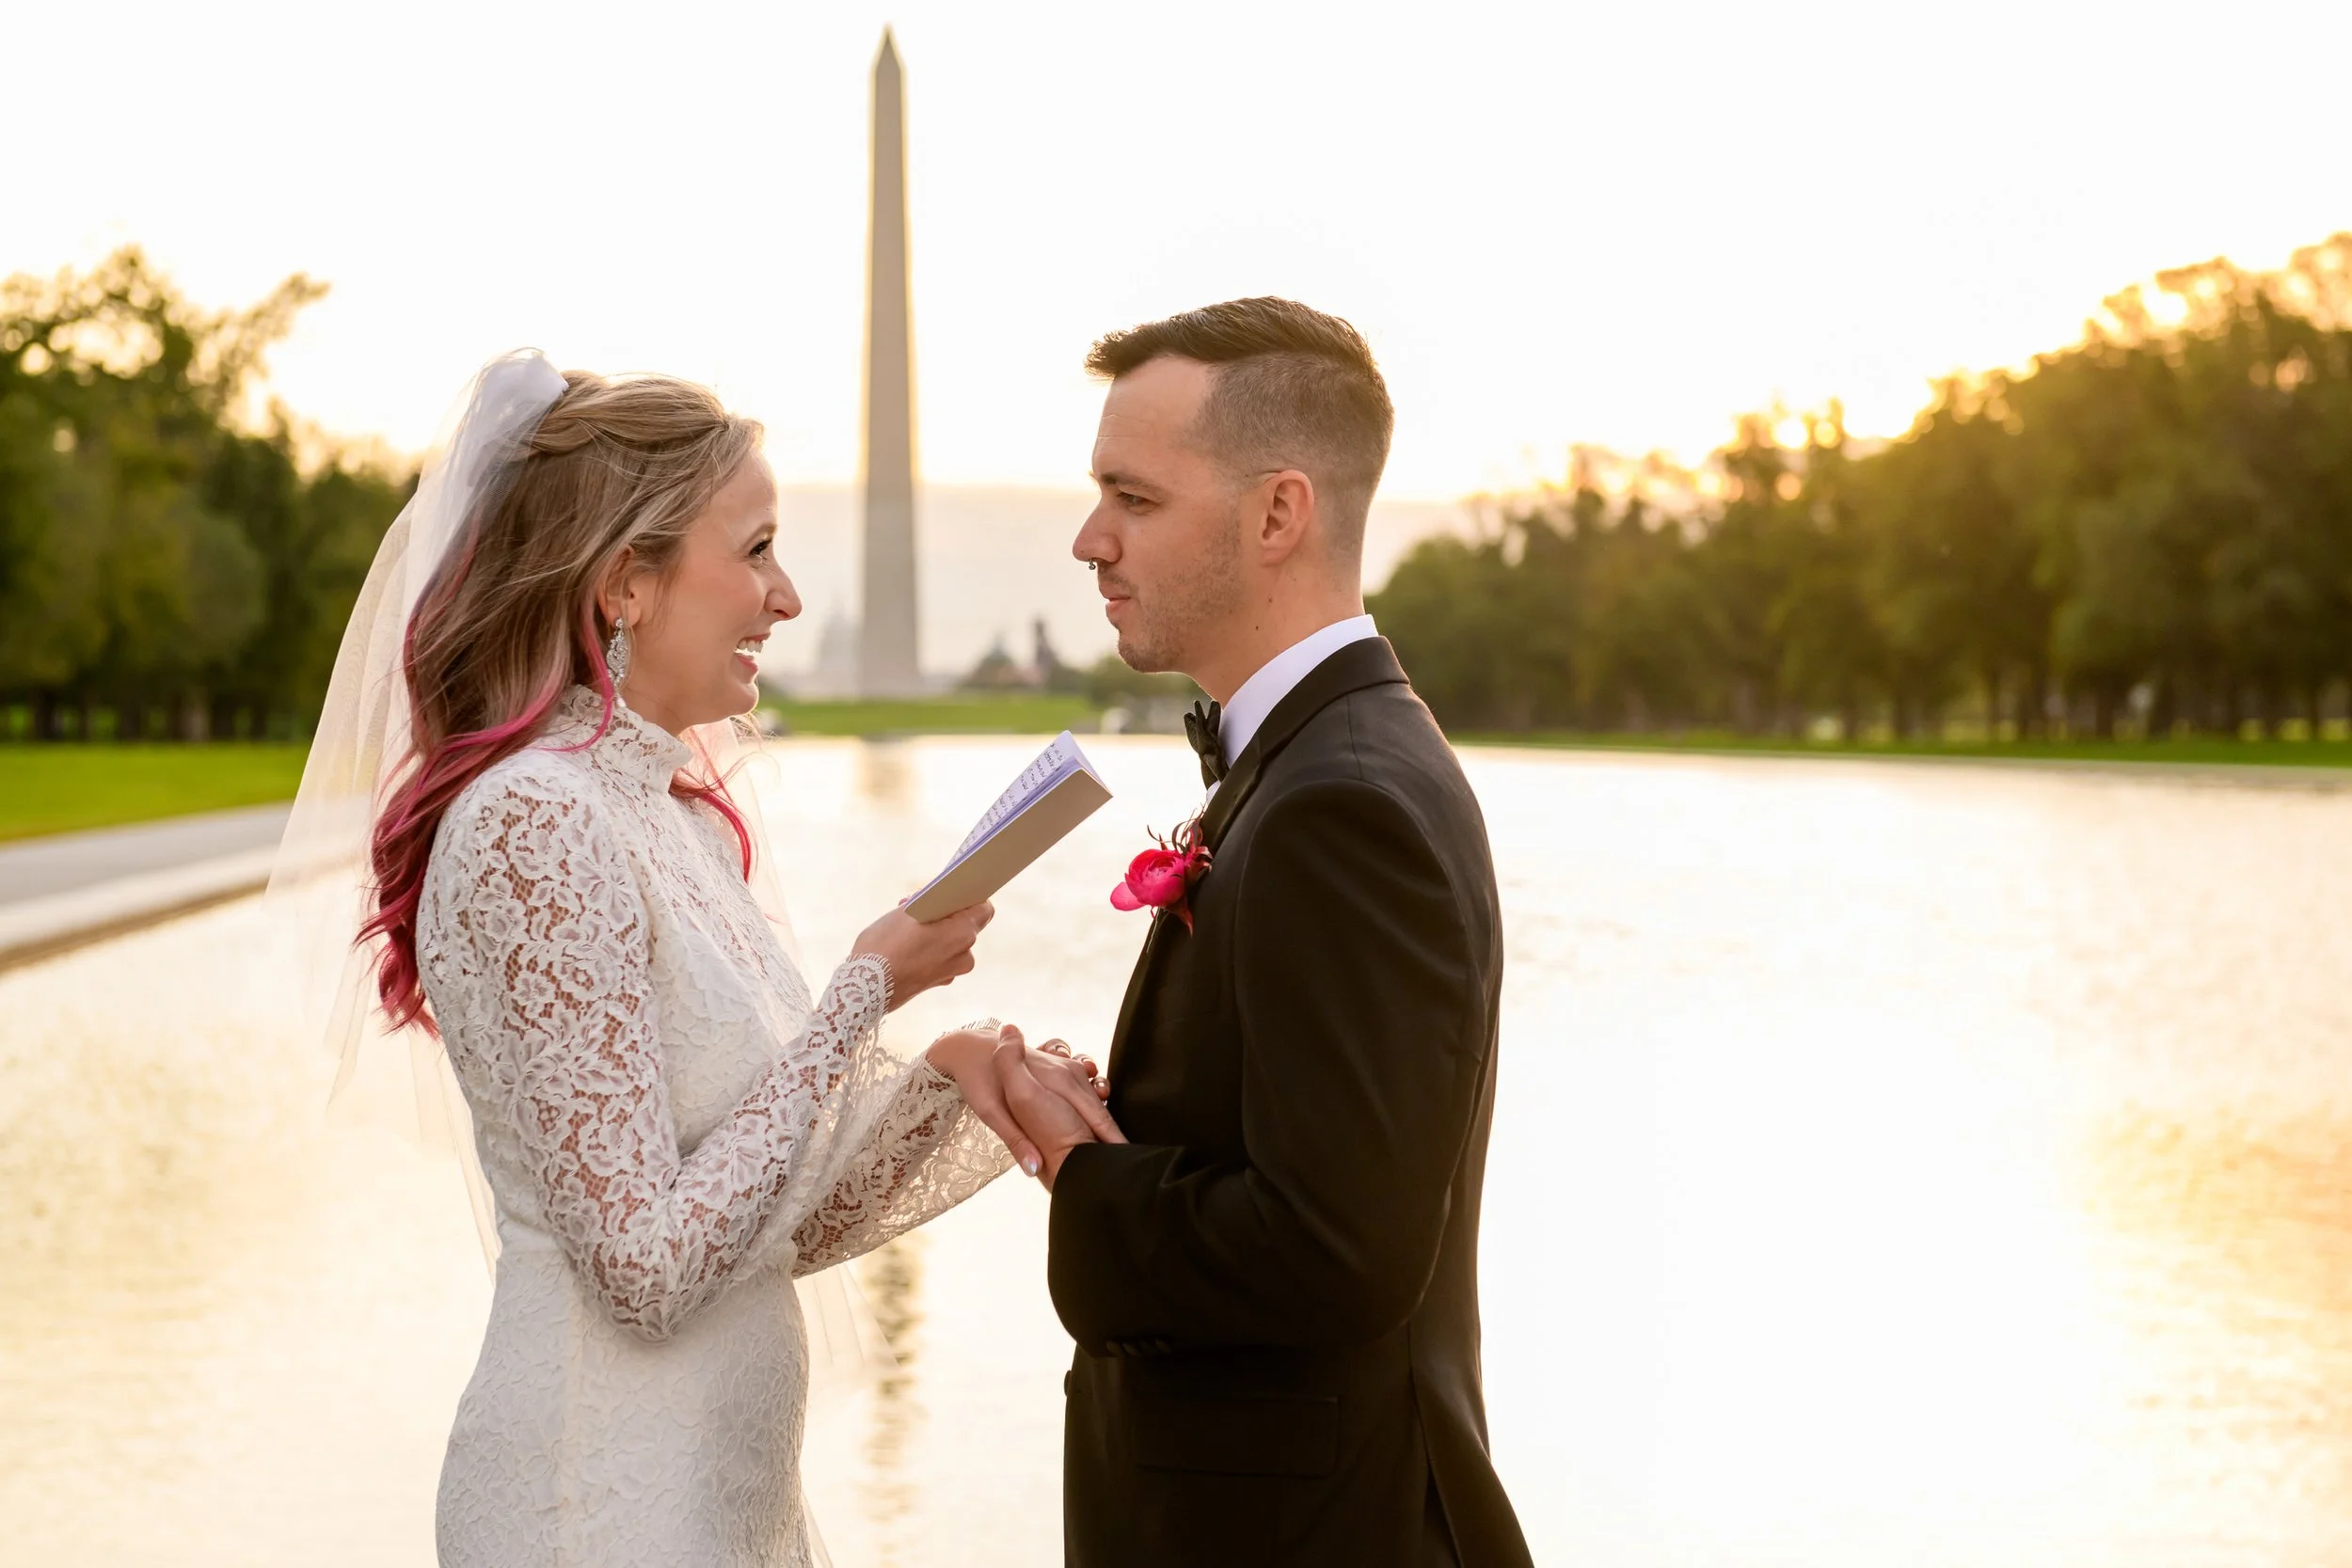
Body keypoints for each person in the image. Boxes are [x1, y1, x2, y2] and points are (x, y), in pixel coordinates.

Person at [287, 352, 1117, 1567]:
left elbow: (763, 1223)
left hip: (722, 1495)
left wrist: (952, 1081)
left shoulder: (668, 816)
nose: (784, 599)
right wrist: (863, 992)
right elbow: (646, 1266)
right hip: (598, 1499)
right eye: (758, 549)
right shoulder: (536, 819)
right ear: (627, 580)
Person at [1025, 298, 1534, 1566]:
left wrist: (1078, 1172)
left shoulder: (1345, 803)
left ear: (1277, 513)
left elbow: (1336, 1251)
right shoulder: (1316, 764)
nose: (1092, 539)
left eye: (1132, 498)